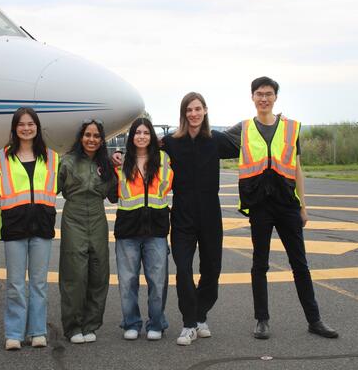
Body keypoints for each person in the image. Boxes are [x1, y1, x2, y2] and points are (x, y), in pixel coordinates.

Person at [112, 94, 237, 346]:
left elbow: (246, 144)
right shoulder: (171, 142)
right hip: (182, 215)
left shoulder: (217, 140)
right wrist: (117, 153)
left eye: (197, 109)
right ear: (183, 113)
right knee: (183, 269)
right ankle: (189, 323)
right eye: (189, 110)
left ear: (205, 111)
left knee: (212, 269)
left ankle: (201, 314)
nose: (193, 114)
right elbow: (142, 149)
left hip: (211, 213)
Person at [225, 76, 338, 339]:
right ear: (252, 97)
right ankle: (262, 320)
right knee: (259, 264)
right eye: (259, 94)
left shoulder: (291, 128)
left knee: (300, 264)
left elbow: (297, 169)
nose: (263, 98)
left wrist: (303, 206)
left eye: (268, 94)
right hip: (260, 206)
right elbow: (210, 140)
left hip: (287, 204)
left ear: (275, 97)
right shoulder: (242, 129)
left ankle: (315, 320)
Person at [0, 107, 60, 351]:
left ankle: (38, 331)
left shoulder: (52, 157)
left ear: (37, 127)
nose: (26, 128)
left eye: (31, 124)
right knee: (15, 283)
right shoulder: (0, 158)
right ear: (15, 128)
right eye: (21, 124)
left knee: (39, 283)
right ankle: (14, 333)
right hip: (14, 227)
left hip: (42, 226)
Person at [114, 118, 173, 341]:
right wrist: (114, 156)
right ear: (132, 136)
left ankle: (156, 323)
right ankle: (131, 322)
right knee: (127, 281)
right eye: (137, 132)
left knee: (157, 281)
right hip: (128, 230)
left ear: (151, 136)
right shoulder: (120, 162)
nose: (141, 136)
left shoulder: (164, 160)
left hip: (156, 230)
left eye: (146, 132)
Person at [58, 119, 117, 344]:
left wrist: (121, 160)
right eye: (87, 135)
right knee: (75, 273)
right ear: (80, 137)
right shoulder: (67, 162)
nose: (91, 140)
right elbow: (52, 187)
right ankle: (73, 327)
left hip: (98, 218)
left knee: (98, 271)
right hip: (73, 218)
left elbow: (114, 194)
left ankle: (91, 324)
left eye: (95, 136)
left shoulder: (107, 165)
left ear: (102, 140)